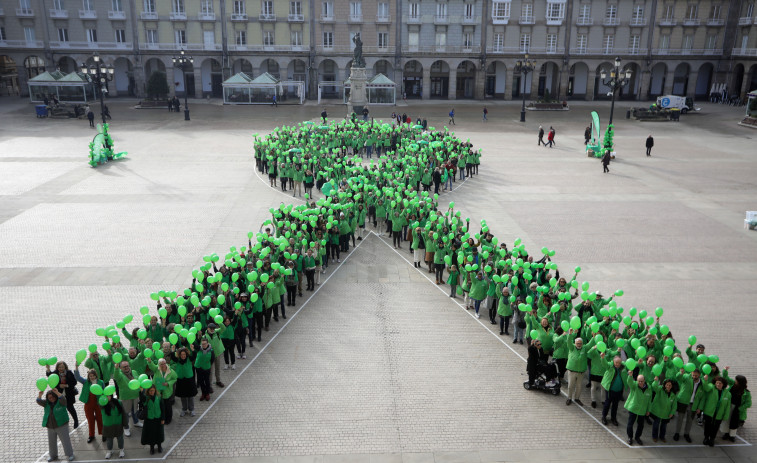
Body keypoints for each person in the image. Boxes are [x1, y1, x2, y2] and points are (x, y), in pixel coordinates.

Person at [37, 388, 75, 462]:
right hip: (50, 426)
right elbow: (39, 401)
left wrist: (57, 393)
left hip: (61, 425)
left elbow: (63, 399)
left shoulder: (61, 402)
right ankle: (53, 456)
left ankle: (70, 454)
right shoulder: (46, 403)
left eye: (53, 397)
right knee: (51, 442)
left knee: (65, 440)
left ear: (56, 396)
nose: (51, 399)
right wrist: (39, 395)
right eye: (49, 398)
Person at [695, 375, 732, 446]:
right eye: (717, 383)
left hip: (719, 414)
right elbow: (706, 388)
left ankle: (712, 439)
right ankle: (706, 438)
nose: (718, 384)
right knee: (707, 426)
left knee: (715, 427)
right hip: (709, 412)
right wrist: (705, 380)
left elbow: (727, 406)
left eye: (720, 383)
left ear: (723, 384)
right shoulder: (711, 388)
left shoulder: (728, 394)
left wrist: (725, 416)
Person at [74, 365, 104, 443]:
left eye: (93, 376)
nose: (92, 377)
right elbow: (77, 377)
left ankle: (103, 433)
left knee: (100, 419)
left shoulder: (101, 382)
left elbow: (104, 392)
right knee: (90, 420)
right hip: (88, 403)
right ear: (88, 376)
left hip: (98, 404)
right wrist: (76, 368)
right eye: (90, 376)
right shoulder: (85, 382)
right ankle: (91, 435)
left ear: (96, 375)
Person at [565, 329, 595, 406]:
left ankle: (577, 398)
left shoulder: (584, 348)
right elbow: (568, 342)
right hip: (572, 371)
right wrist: (570, 334)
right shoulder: (572, 347)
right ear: (575, 343)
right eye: (577, 343)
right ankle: (569, 398)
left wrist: (593, 337)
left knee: (579, 386)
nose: (579, 344)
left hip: (581, 372)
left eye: (580, 343)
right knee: (570, 386)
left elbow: (590, 344)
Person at [45, 361, 79, 429]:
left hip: (68, 394)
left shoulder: (69, 373)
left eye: (62, 367)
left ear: (65, 367)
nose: (61, 368)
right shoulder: (55, 373)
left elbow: (74, 382)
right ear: (57, 367)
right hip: (58, 394)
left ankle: (76, 421)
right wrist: (59, 386)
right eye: (59, 367)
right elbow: (50, 377)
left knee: (70, 408)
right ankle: (64, 421)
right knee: (61, 409)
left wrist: (66, 385)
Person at [673, 367, 702, 443]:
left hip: (693, 404)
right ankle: (677, 433)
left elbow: (702, 396)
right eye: (693, 375)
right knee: (680, 419)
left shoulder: (701, 383)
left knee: (690, 420)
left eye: (696, 375)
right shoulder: (686, 376)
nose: (694, 377)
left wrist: (699, 407)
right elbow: (678, 378)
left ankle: (686, 434)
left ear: (699, 375)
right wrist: (680, 373)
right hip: (683, 401)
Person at [625, 370, 653, 446]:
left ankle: (638, 437)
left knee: (641, 425)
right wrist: (630, 376)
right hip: (633, 408)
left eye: (642, 381)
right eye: (639, 381)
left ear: (644, 381)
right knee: (630, 424)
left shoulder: (649, 389)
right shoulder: (634, 386)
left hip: (642, 410)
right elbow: (630, 382)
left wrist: (648, 410)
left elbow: (649, 401)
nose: (640, 383)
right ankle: (630, 437)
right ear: (637, 381)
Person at [723, 374, 751, 442]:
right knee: (727, 420)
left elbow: (748, 403)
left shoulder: (746, 392)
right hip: (729, 406)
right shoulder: (733, 385)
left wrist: (739, 408)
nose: (735, 381)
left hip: (737, 409)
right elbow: (726, 378)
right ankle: (726, 433)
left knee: (734, 422)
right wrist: (725, 371)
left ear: (740, 382)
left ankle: (732, 435)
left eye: (736, 380)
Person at [601, 355, 626, 426]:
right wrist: (603, 358)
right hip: (610, 390)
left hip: (619, 391)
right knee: (607, 404)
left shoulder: (623, 368)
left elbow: (631, 363)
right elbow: (604, 363)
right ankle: (604, 417)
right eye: (616, 362)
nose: (617, 364)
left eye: (619, 363)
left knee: (615, 405)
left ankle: (613, 418)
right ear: (613, 362)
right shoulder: (610, 366)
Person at [650, 378, 677, 443]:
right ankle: (654, 437)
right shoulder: (660, 390)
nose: (668, 386)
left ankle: (662, 437)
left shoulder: (673, 395)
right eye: (667, 385)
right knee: (656, 425)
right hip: (657, 412)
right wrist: (656, 381)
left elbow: (674, 406)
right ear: (664, 385)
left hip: (666, 414)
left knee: (664, 427)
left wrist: (672, 413)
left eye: (670, 385)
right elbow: (654, 386)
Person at [172, 346, 197, 417]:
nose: (183, 356)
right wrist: (173, 350)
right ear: (179, 355)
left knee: (190, 395)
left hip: (189, 380)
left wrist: (193, 349)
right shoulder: (177, 360)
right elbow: (173, 357)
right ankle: (184, 409)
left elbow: (195, 355)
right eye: (182, 355)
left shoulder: (189, 359)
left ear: (186, 355)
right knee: (183, 396)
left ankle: (192, 409)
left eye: (184, 354)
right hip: (181, 380)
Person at [140, 385, 165, 454]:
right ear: (148, 391)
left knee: (159, 433)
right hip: (149, 419)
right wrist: (141, 392)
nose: (152, 392)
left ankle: (159, 446)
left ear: (155, 390)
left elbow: (162, 409)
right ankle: (152, 448)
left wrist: (163, 418)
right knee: (151, 434)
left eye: (153, 390)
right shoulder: (146, 398)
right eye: (150, 391)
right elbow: (142, 399)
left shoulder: (159, 398)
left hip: (158, 418)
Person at [100, 394, 126, 459]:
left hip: (118, 424)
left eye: (108, 395)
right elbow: (100, 405)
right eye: (105, 396)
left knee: (120, 438)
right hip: (108, 425)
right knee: (109, 439)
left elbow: (123, 413)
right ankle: (109, 451)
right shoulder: (102, 404)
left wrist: (125, 423)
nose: (107, 397)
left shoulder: (118, 402)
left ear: (111, 395)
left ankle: (121, 449)